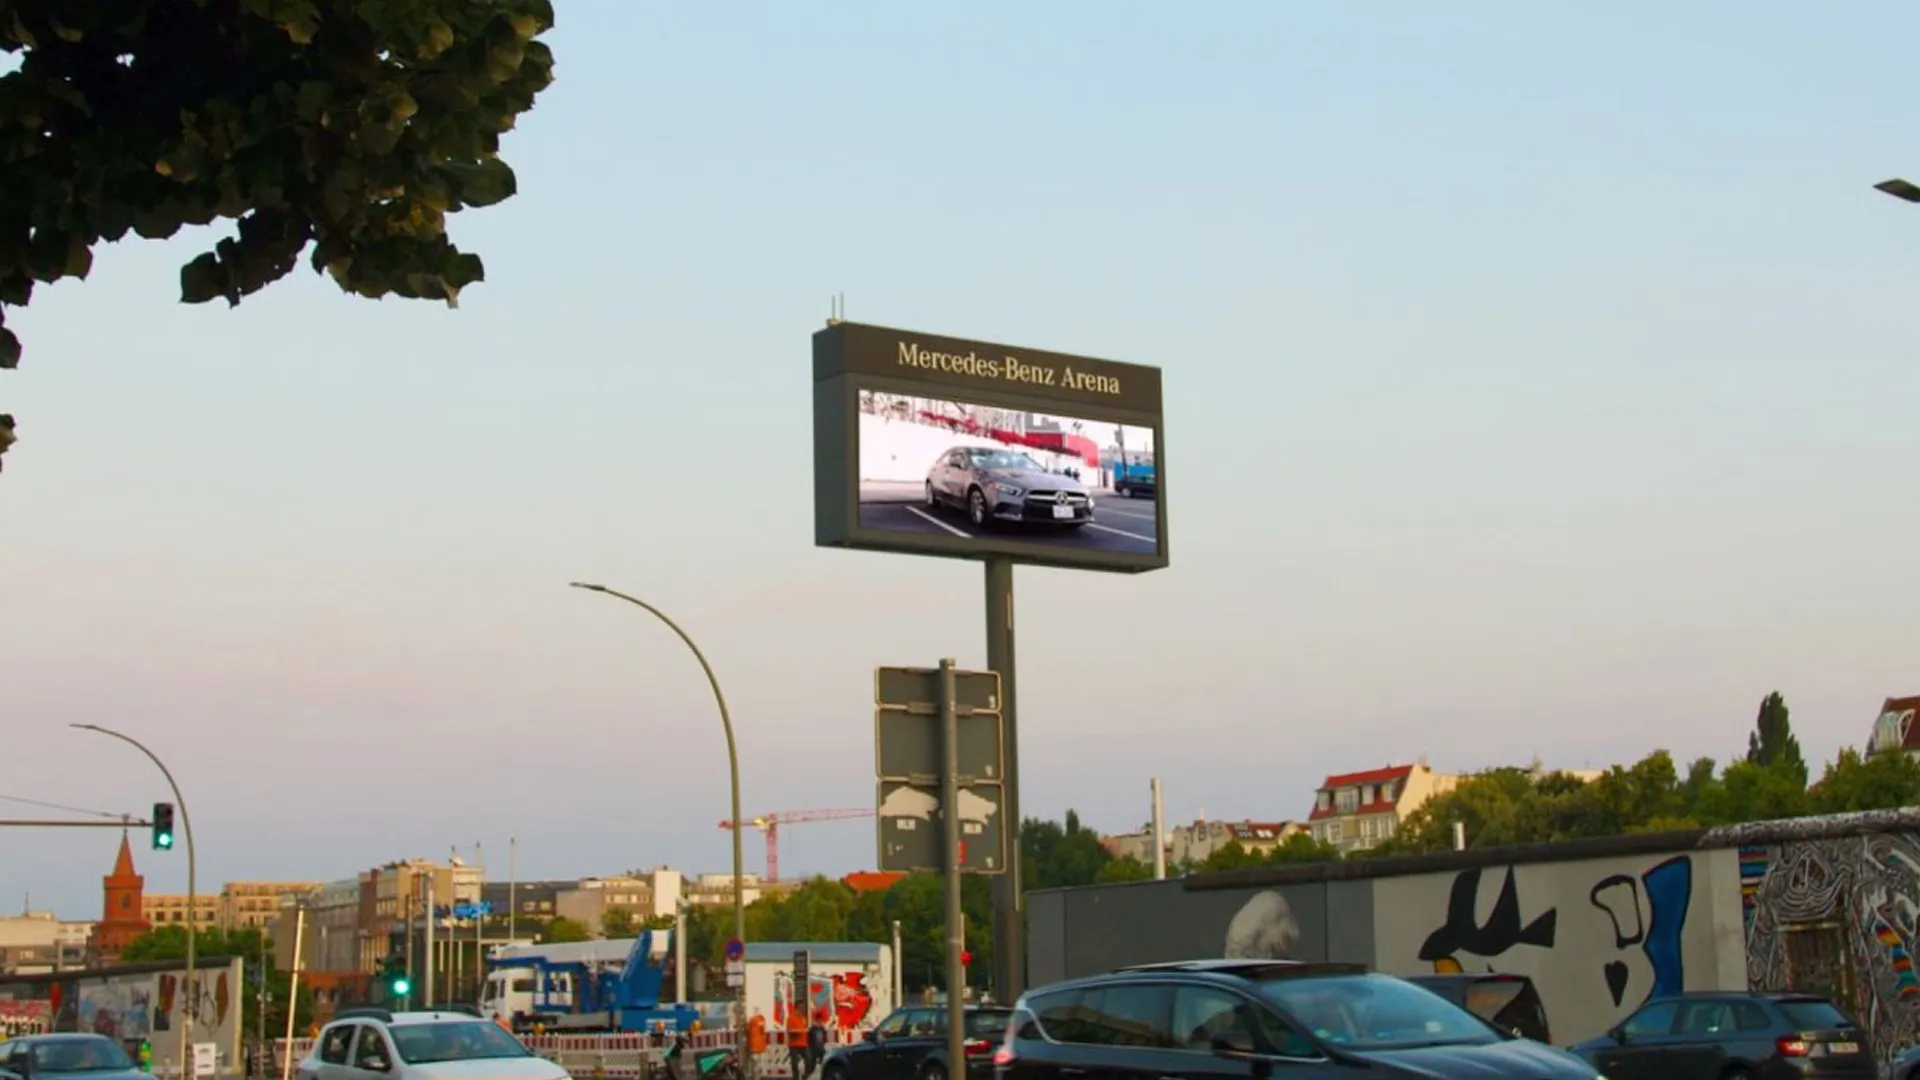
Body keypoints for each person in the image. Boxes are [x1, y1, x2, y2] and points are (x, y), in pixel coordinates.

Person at [784, 1000, 808, 1079]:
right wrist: (800, 1031)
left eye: (804, 1007)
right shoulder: (791, 1018)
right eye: (802, 1007)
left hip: (803, 1044)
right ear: (798, 1007)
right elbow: (789, 1030)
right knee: (795, 1063)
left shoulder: (803, 1018)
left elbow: (804, 1028)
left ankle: (805, 1076)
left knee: (808, 1061)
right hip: (794, 1044)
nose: (804, 1008)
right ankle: (796, 1078)